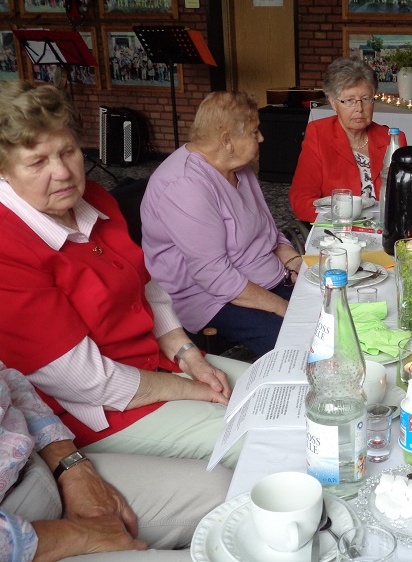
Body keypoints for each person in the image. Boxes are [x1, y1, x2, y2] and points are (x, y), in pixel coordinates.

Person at [0, 82, 245, 467]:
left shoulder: (94, 197)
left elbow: (148, 288)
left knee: (281, 390)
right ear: (5, 172)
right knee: (263, 437)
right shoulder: (6, 244)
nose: (62, 172)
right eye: (37, 162)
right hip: (100, 410)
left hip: (157, 366)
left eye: (68, 152)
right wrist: (191, 389)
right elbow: (85, 381)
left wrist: (188, 356)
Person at [0, 363, 232, 561]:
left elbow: (9, 382)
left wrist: (72, 468)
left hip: (34, 463)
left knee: (226, 491)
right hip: (17, 541)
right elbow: (87, 375)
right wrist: (79, 534)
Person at [141, 91, 302, 356]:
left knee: (337, 310)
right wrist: (284, 308)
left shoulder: (238, 168)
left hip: (267, 280)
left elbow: (267, 232)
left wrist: (295, 262)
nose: (261, 138)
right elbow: (214, 277)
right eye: (254, 132)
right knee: (302, 344)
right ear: (227, 140)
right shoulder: (186, 186)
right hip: (211, 300)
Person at [289, 57, 408, 222]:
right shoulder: (319, 133)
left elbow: (408, 196)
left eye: (366, 99)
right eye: (350, 101)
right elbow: (301, 201)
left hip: (386, 227)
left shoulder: (393, 139)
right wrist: (342, 220)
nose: (359, 108)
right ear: (333, 102)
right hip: (340, 229)